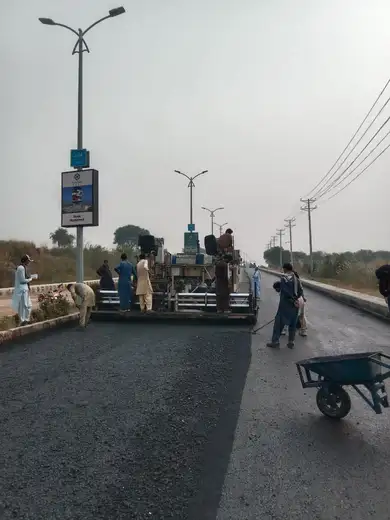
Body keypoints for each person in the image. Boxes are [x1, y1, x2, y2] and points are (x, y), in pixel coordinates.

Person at [267, 262, 303, 349]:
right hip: (295, 306)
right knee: (292, 324)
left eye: (283, 269)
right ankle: (291, 342)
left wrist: (279, 289)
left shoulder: (284, 278)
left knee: (278, 323)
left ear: (285, 269)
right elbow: (301, 292)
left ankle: (275, 341)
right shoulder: (297, 279)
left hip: (285, 305)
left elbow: (284, 291)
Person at [281, 270, 307, 337]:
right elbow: (301, 292)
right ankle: (303, 331)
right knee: (302, 316)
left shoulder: (289, 282)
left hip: (294, 301)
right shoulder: (298, 282)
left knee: (287, 314)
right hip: (300, 300)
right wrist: (303, 298)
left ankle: (284, 330)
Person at [12, 254, 36, 326]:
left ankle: (26, 320)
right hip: (21, 289)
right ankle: (22, 321)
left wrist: (30, 277)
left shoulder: (23, 268)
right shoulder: (21, 268)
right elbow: (22, 280)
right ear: (25, 261)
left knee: (28, 305)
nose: (29, 262)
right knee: (23, 305)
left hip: (25, 289)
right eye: (28, 261)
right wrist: (31, 279)